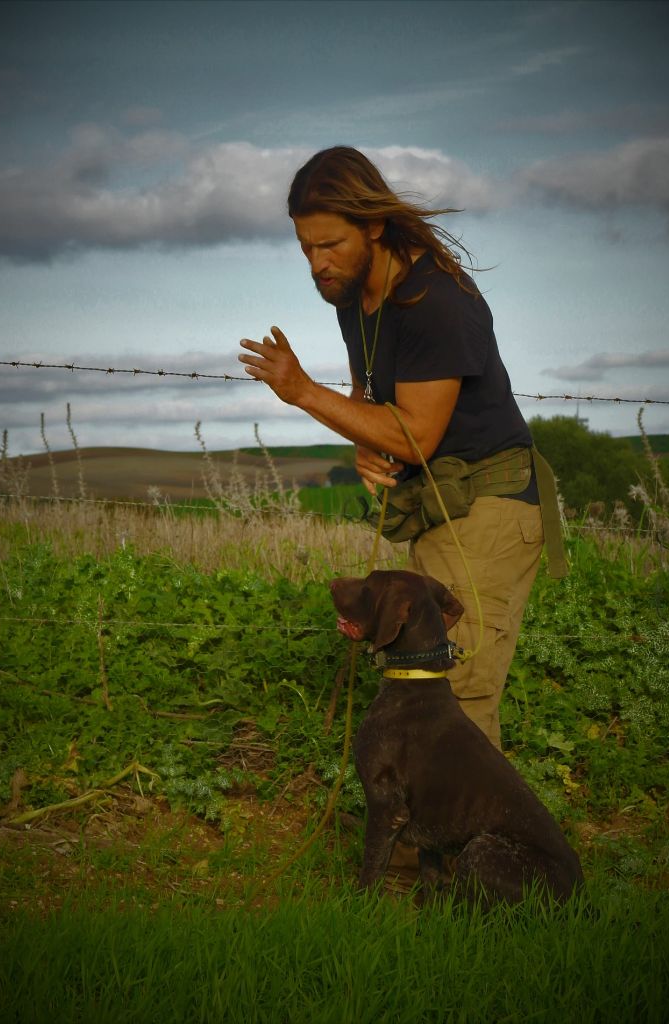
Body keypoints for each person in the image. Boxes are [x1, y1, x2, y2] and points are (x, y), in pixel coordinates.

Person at [239, 146, 566, 751]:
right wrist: (367, 442)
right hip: (438, 508)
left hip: (487, 511)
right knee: (421, 687)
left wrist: (304, 392)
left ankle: (475, 841)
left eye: (330, 244)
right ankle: (427, 841)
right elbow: (375, 406)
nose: (317, 263)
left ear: (373, 225)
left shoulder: (433, 300)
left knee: (456, 696)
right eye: (306, 247)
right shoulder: (354, 297)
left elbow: (415, 435)